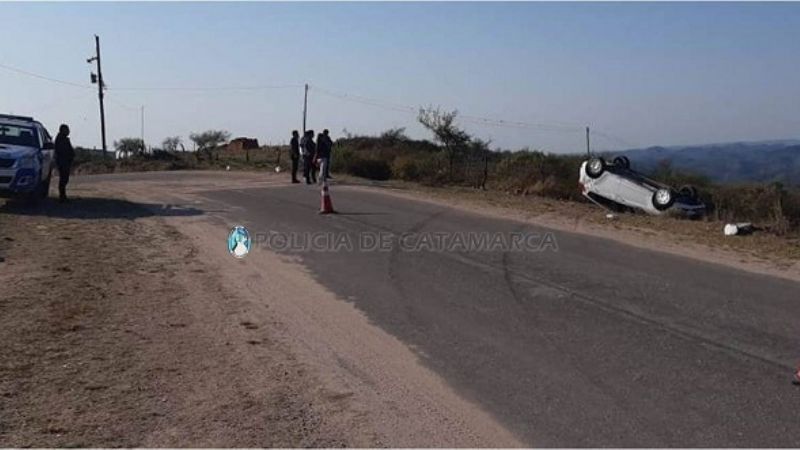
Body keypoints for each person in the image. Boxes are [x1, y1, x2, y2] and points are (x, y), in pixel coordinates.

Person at [54, 124, 75, 202]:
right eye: (67, 130)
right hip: (62, 162)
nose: (68, 131)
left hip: (65, 162)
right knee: (63, 179)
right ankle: (62, 196)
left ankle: (63, 196)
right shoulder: (60, 139)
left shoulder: (64, 139)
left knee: (65, 179)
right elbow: (61, 151)